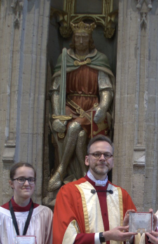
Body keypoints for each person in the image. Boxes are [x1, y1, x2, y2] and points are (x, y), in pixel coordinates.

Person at [48, 22, 115, 192]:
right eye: (78, 37)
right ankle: (82, 176)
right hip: (69, 107)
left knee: (76, 127)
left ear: (90, 39)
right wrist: (57, 115)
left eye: (84, 37)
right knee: (80, 135)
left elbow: (106, 90)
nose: (81, 41)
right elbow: (56, 90)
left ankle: (60, 171)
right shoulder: (65, 59)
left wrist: (103, 107)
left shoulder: (99, 60)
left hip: (91, 108)